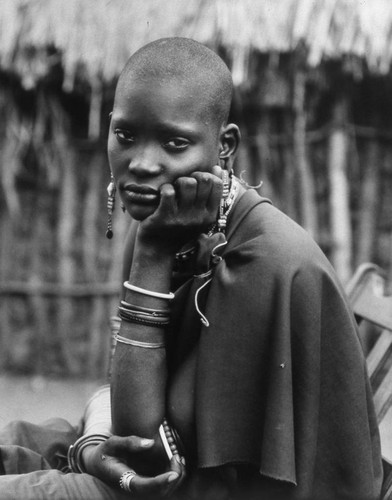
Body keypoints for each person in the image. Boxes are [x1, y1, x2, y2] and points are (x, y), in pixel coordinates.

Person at [0, 37, 384, 500]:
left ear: (225, 145)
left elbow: (147, 448)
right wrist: (92, 445)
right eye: (125, 136)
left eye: (174, 142)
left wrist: (153, 254)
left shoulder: (262, 263)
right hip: (155, 464)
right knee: (13, 439)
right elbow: (124, 409)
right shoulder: (164, 219)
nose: (141, 164)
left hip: (195, 486)